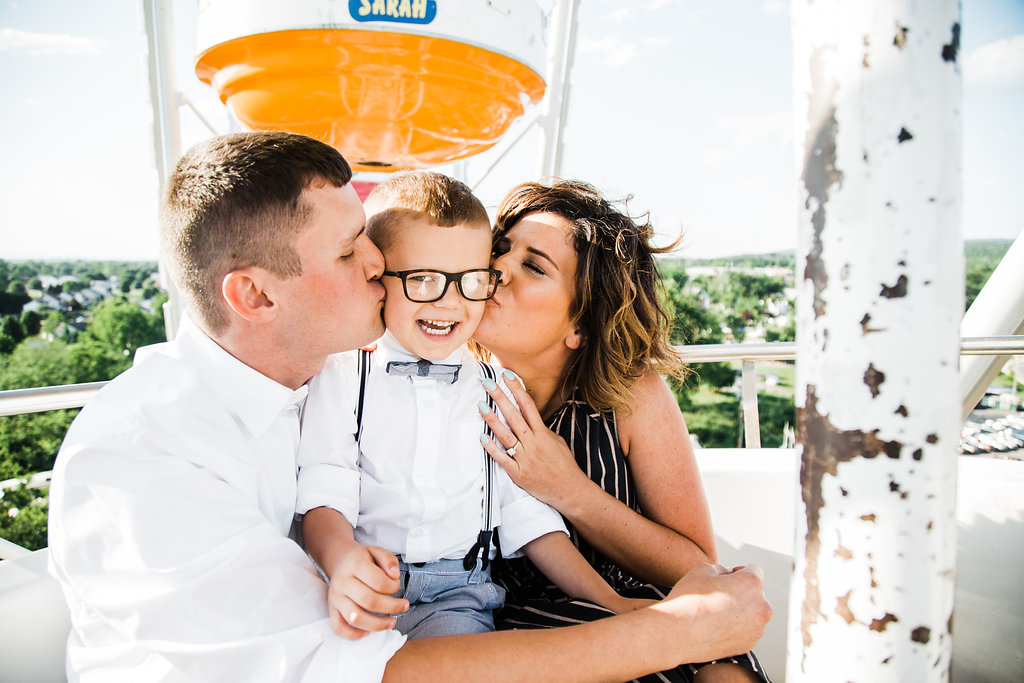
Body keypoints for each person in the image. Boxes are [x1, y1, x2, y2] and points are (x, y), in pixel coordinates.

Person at [47, 131, 771, 683]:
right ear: (256, 296)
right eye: (350, 251)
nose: (378, 267)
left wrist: (675, 619)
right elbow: (367, 662)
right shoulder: (147, 456)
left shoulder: (311, 374)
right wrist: (680, 630)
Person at [297, 171, 651, 641]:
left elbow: (527, 516)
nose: (449, 301)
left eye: (470, 281)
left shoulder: (496, 389)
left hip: (457, 595)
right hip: (359, 589)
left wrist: (612, 603)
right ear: (380, 277)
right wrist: (342, 559)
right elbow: (325, 487)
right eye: (424, 280)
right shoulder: (341, 374)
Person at [475, 179, 771, 682]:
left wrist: (569, 490)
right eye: (500, 250)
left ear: (580, 327)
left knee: (725, 671)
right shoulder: (445, 384)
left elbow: (694, 566)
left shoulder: (630, 395)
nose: (498, 268)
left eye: (533, 265)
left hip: (639, 606)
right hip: (517, 629)